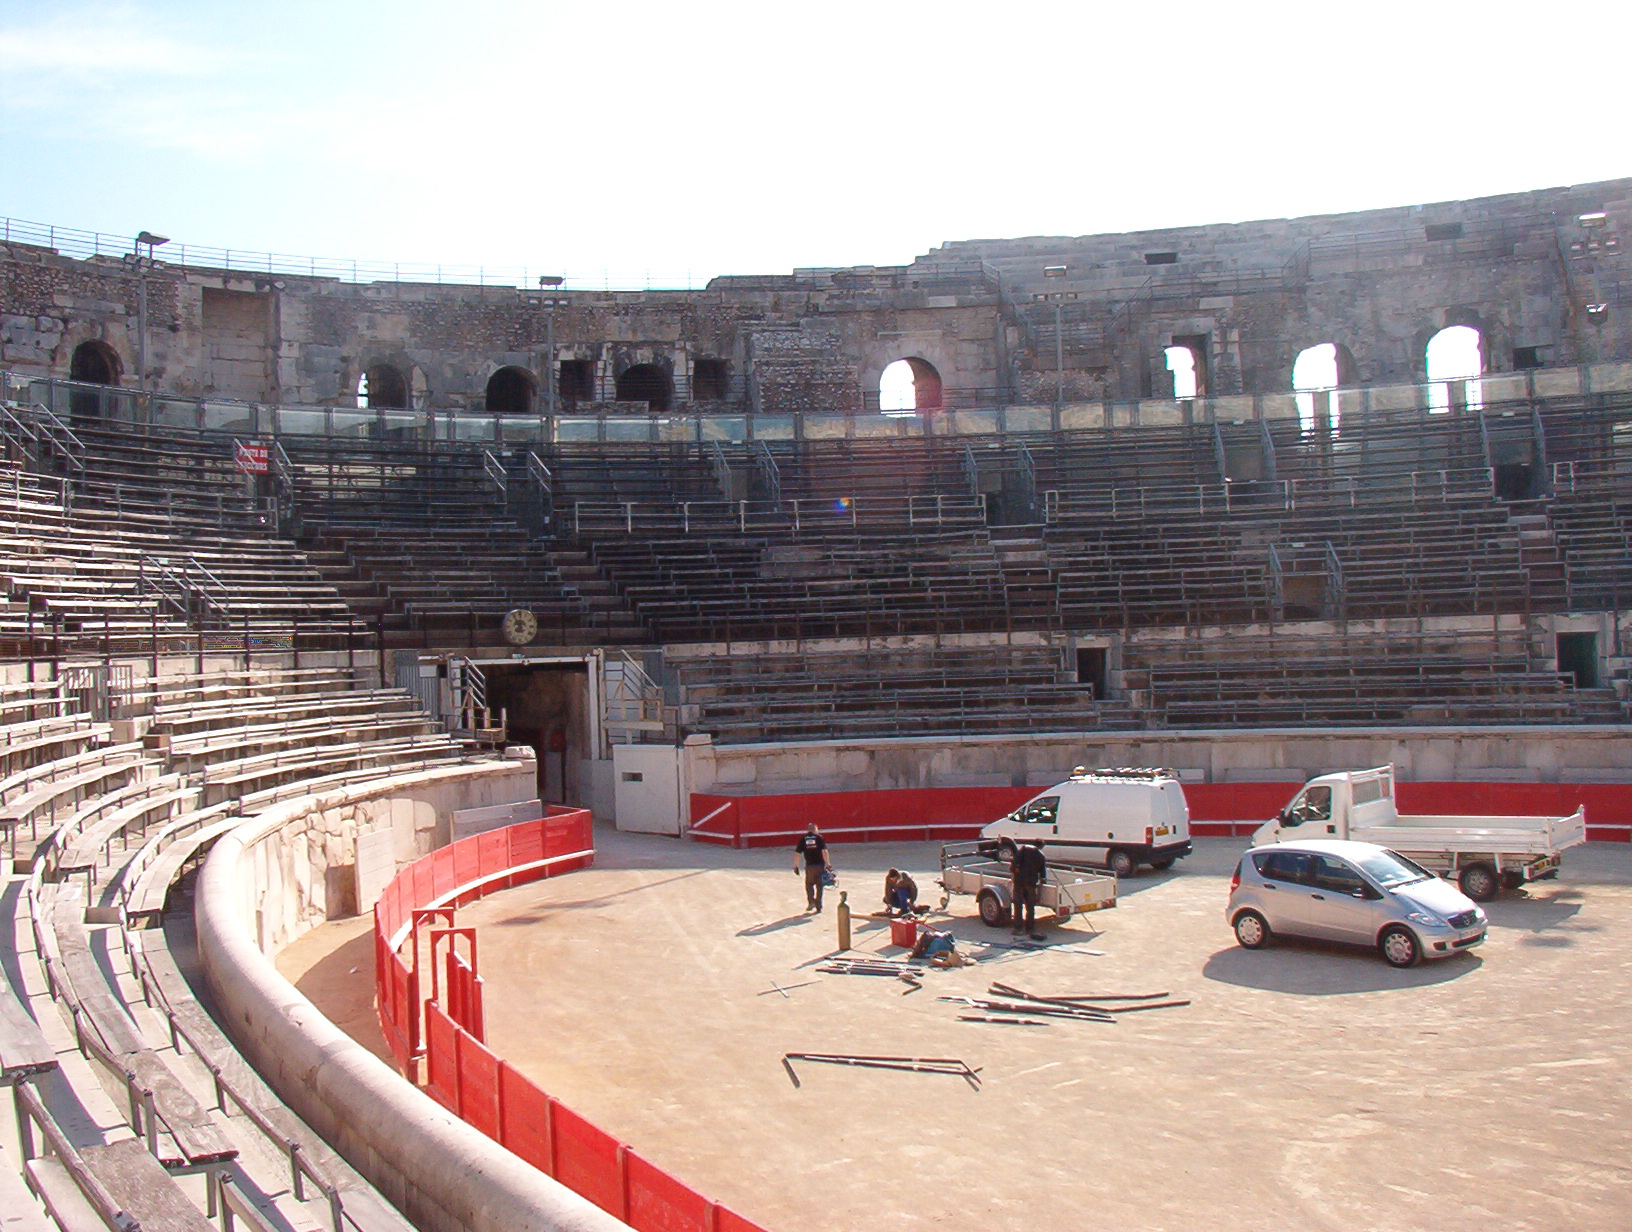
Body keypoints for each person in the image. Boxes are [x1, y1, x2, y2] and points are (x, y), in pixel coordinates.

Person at [1008, 839, 1047, 941]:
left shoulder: (1024, 849)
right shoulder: (1041, 856)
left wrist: (1013, 871)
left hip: (1019, 882)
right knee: (1030, 906)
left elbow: (1015, 861)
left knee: (1018, 904)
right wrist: (1042, 880)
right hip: (1031, 883)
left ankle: (1018, 928)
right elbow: (1042, 873)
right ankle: (1030, 928)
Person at [793, 822, 830, 913]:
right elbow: (824, 851)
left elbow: (797, 854)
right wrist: (828, 864)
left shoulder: (803, 839)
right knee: (819, 885)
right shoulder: (819, 838)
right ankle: (819, 906)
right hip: (820, 865)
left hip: (809, 866)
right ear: (815, 830)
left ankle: (811, 901)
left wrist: (796, 866)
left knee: (809, 884)